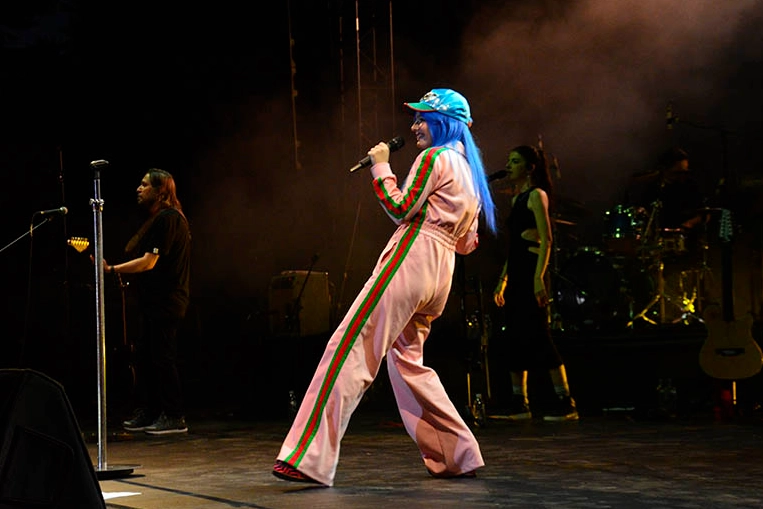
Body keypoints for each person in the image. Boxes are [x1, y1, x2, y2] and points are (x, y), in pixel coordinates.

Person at [272, 88, 497, 486]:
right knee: (408, 363)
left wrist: (381, 168)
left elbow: (399, 208)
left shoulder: (434, 158)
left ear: (444, 123)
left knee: (349, 348)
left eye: (422, 118)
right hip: (440, 273)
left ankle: (308, 458)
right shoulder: (470, 173)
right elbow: (468, 243)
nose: (415, 126)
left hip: (412, 260)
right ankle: (456, 454)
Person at [493, 145, 578, 422]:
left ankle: (566, 402)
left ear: (529, 168)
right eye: (509, 160)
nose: (509, 166)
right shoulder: (516, 198)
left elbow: (546, 239)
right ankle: (520, 403)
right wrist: (503, 281)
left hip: (532, 270)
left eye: (515, 161)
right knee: (514, 336)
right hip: (517, 271)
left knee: (539, 335)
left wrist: (539, 278)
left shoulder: (536, 195)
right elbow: (515, 246)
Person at [106, 168, 192, 435]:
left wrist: (112, 269)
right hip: (155, 302)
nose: (139, 189)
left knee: (162, 358)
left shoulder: (168, 219)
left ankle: (174, 416)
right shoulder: (162, 220)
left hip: (167, 302)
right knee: (146, 357)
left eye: (145, 185)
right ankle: (152, 411)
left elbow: (148, 262)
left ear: (160, 191)